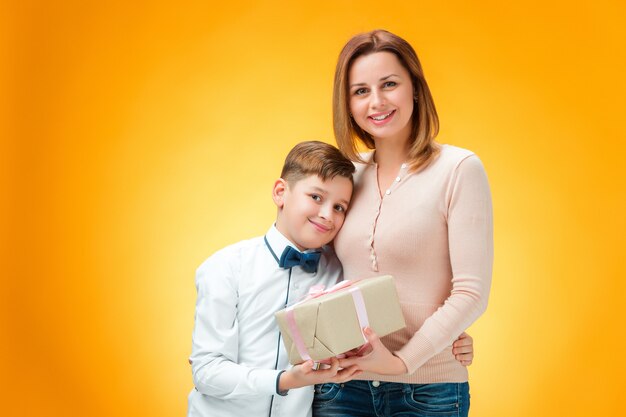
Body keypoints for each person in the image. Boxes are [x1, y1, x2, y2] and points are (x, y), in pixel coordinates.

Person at [313, 30, 493, 417]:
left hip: (427, 391)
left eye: (389, 84)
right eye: (360, 91)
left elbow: (471, 293)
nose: (376, 102)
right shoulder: (345, 175)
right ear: (346, 102)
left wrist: (404, 361)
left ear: (414, 88)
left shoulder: (459, 169)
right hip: (341, 388)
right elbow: (311, 271)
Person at [187, 141, 360, 417]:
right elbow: (207, 372)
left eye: (339, 207)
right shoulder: (225, 267)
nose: (328, 215)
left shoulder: (340, 271)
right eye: (316, 197)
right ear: (281, 192)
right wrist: (286, 381)